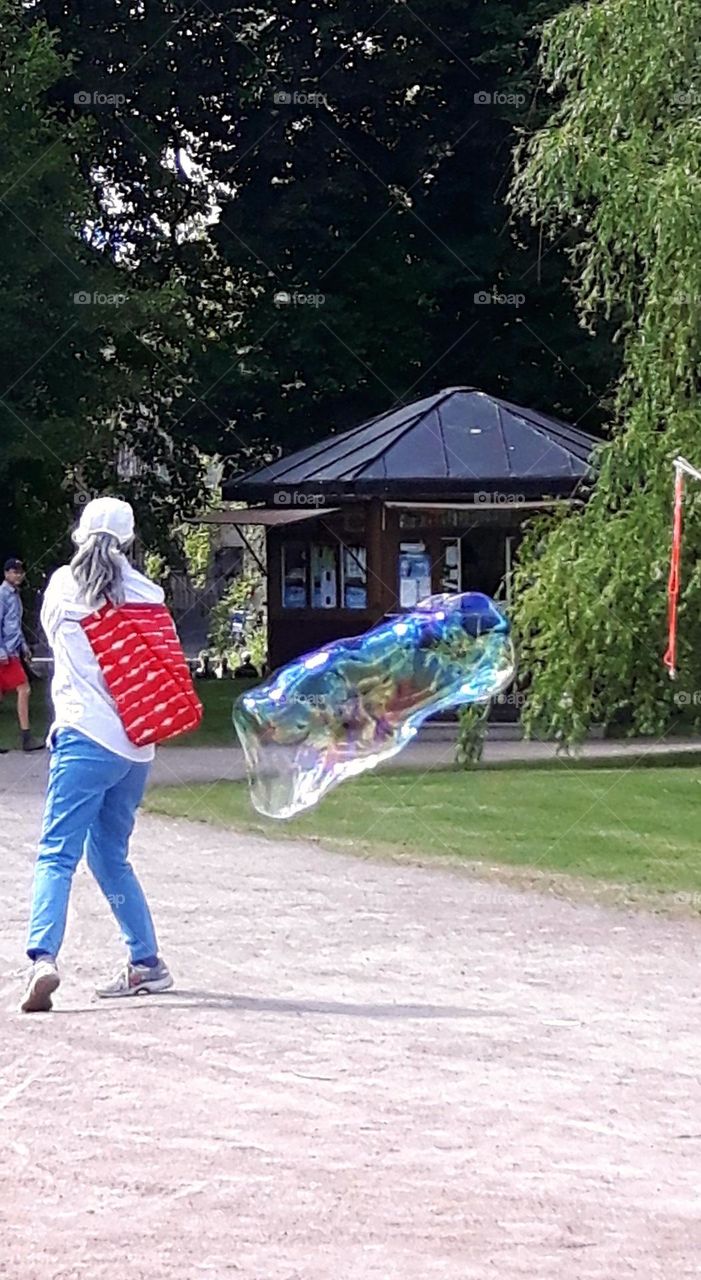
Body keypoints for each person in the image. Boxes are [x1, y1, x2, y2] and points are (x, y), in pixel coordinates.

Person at [21, 497, 174, 1013]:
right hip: (137, 745)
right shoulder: (149, 594)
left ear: (79, 535)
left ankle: (43, 957)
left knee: (56, 852)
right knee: (109, 854)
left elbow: (54, 641)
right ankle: (146, 961)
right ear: (130, 541)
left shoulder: (64, 587)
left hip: (85, 737)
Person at [0, 558, 44, 752]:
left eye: (21, 572)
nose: (18, 575)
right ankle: (26, 738)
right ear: (6, 573)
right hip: (5, 653)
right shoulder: (2, 595)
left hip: (12, 650)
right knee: (24, 689)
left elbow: (14, 626)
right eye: (14, 571)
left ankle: (26, 737)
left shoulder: (14, 595)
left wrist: (24, 646)